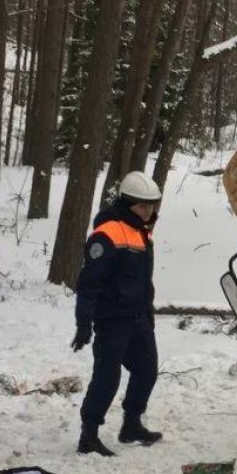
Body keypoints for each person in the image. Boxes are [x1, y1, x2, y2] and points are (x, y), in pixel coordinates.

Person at [71, 171, 164, 456]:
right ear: (127, 202)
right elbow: (89, 283)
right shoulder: (107, 234)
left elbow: (141, 282)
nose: (148, 210)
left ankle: (131, 425)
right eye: (142, 205)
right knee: (107, 377)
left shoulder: (142, 232)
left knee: (147, 371)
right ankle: (89, 435)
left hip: (138, 319)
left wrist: (148, 314)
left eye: (151, 205)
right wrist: (84, 323)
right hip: (112, 321)